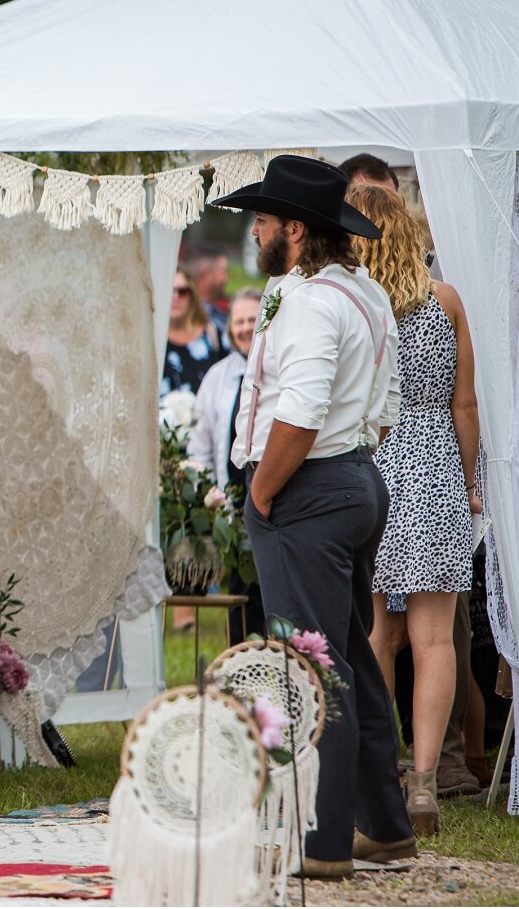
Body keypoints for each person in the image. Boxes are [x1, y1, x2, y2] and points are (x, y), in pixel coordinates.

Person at [217, 155, 415, 877]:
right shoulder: (361, 289)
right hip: (357, 480)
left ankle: (326, 841)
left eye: (263, 221)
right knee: (352, 656)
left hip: (308, 490)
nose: (256, 233)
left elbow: (297, 415)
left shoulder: (308, 302)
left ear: (296, 230)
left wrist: (264, 493)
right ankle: (386, 826)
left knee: (314, 665)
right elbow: (383, 410)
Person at [348, 183, 480, 835]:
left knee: (380, 633)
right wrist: (468, 477)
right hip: (434, 471)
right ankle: (424, 785)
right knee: (435, 640)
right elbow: (465, 405)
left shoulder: (354, 304)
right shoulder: (447, 300)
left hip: (374, 464)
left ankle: (378, 770)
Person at [187, 286, 264, 643]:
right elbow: (200, 443)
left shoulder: (278, 368)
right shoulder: (218, 376)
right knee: (242, 603)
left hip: (277, 507)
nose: (246, 327)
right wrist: (207, 491)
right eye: (239, 321)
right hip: (234, 513)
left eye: (253, 318)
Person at [160, 265, 225, 397]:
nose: (175, 296)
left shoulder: (213, 336)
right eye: (169, 290)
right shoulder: (150, 340)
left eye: (182, 291)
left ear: (192, 295)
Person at [190, 244, 232, 342]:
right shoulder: (191, 317)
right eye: (224, 271)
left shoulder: (219, 312)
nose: (227, 277)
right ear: (206, 274)